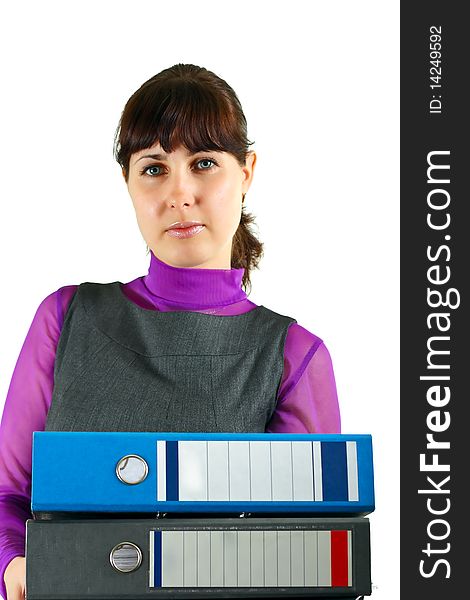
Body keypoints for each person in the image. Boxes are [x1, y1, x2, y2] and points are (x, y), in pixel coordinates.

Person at [0, 63, 340, 600]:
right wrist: (13, 565)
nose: (179, 195)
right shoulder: (65, 318)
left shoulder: (293, 357)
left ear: (246, 171)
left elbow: (307, 553)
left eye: (204, 163)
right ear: (128, 183)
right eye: (153, 168)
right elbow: (7, 494)